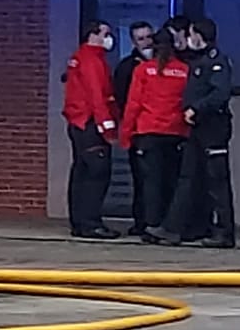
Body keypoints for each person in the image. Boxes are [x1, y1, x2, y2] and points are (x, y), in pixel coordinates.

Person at [162, 16, 236, 249]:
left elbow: (220, 93)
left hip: (213, 128)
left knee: (217, 181)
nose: (188, 38)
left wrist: (196, 108)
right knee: (187, 177)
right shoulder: (199, 61)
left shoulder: (217, 61)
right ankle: (173, 228)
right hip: (196, 128)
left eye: (191, 34)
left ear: (199, 36)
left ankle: (224, 232)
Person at [122, 28, 191, 245]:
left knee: (150, 183)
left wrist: (126, 134)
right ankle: (168, 225)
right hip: (175, 133)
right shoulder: (184, 70)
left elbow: (133, 104)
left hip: (148, 132)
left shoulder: (143, 70)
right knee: (171, 181)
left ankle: (150, 225)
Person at [60, 20, 119, 240]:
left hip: (78, 123)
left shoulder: (79, 57)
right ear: (93, 35)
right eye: (106, 33)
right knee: (97, 174)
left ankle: (80, 222)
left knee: (81, 173)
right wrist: (108, 128)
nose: (109, 38)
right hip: (90, 123)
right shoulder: (93, 60)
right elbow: (97, 96)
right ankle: (92, 223)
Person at [112, 22, 157, 236]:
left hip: (160, 128)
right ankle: (141, 220)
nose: (147, 42)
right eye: (141, 38)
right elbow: (122, 98)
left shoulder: (165, 62)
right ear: (133, 42)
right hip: (138, 129)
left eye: (149, 37)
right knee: (140, 179)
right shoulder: (127, 67)